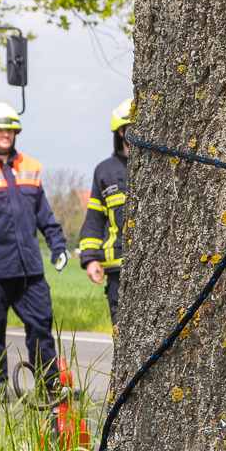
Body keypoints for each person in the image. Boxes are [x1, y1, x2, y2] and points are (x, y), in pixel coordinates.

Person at [0, 102, 71, 401]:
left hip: (30, 270)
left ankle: (50, 385)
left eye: (10, 129)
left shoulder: (30, 167)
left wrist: (57, 244)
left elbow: (44, 215)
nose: (5, 134)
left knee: (41, 326)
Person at [80, 97, 130, 323]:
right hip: (116, 266)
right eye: (131, 127)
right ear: (120, 132)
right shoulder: (104, 171)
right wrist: (90, 259)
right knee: (121, 330)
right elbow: (94, 219)